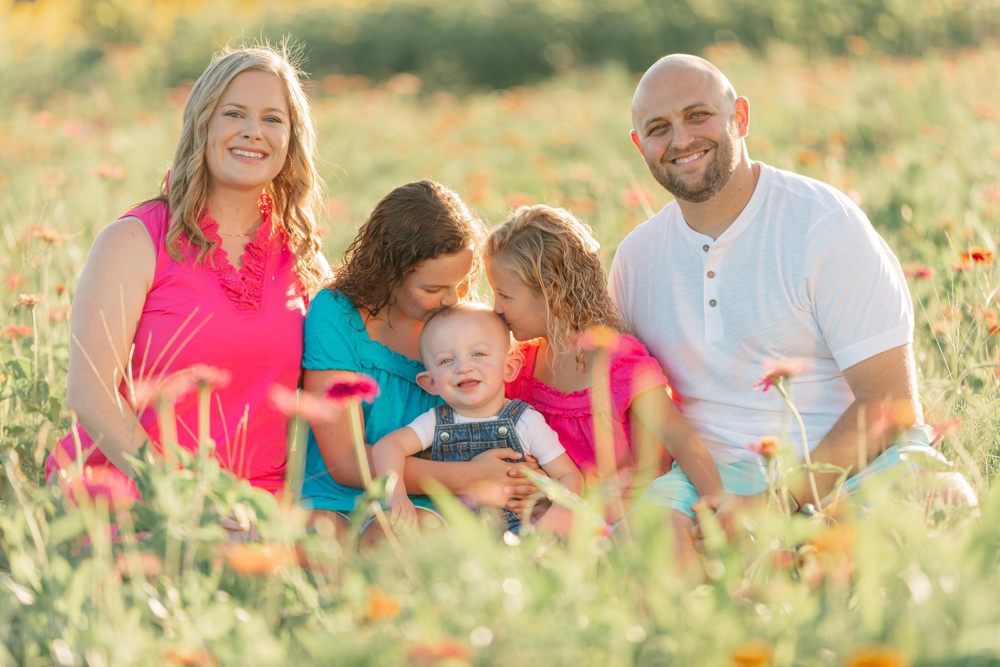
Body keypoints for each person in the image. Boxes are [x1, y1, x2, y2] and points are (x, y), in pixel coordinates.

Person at [611, 54, 948, 547]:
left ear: (740, 117)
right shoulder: (635, 259)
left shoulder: (822, 224)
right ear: (641, 145)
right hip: (709, 484)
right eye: (660, 128)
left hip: (850, 466)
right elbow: (633, 402)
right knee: (640, 549)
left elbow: (890, 402)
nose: (681, 140)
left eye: (698, 115)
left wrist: (778, 504)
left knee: (942, 504)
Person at [46, 46, 327, 503]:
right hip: (132, 490)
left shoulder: (305, 256)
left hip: (260, 506)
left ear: (292, 138)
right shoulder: (134, 241)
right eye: (233, 113)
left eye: (273, 119)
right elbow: (89, 393)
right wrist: (180, 500)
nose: (254, 132)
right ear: (202, 124)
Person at [302, 180, 541, 535]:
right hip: (339, 498)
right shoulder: (337, 316)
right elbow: (346, 462)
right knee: (315, 543)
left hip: (430, 504)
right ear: (388, 272)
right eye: (432, 289)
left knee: (408, 537)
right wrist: (469, 475)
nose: (452, 298)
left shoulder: (456, 327)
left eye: (461, 282)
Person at [485, 205, 726, 522]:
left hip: (625, 516)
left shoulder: (616, 362)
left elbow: (679, 439)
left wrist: (718, 502)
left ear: (551, 293)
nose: (496, 308)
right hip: (549, 515)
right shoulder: (520, 366)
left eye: (504, 295)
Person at [371, 303, 582, 535]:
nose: (464, 367)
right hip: (457, 536)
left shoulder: (525, 421)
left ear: (509, 368)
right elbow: (387, 446)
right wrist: (397, 496)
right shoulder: (434, 421)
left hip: (520, 535)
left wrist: (559, 512)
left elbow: (568, 474)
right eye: (446, 360)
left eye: (478, 354)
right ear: (430, 383)